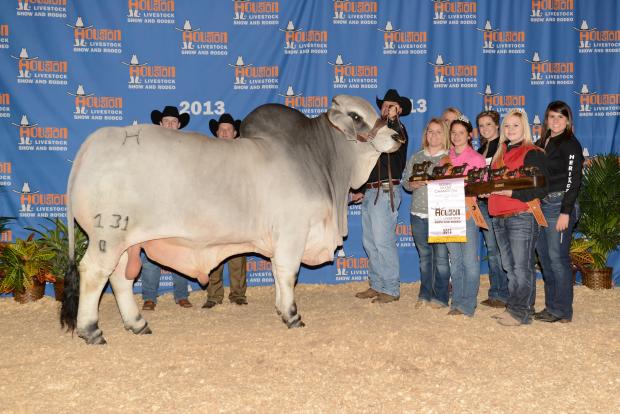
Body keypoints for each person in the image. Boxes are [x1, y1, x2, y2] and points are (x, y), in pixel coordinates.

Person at [487, 109, 548, 326]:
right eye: (507, 125)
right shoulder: (499, 153)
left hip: (521, 214)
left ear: (525, 128)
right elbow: (496, 184)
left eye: (515, 125)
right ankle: (517, 308)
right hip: (498, 215)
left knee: (521, 267)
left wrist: (511, 193)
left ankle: (520, 312)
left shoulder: (533, 152)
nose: (510, 129)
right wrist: (487, 192)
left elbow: (541, 187)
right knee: (510, 267)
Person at [353, 89, 410, 303]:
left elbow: (397, 139)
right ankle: (377, 284)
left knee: (383, 241)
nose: (386, 108)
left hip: (386, 191)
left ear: (400, 110)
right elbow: (369, 163)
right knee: (370, 241)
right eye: (385, 105)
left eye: (392, 106)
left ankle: (391, 288)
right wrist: (361, 188)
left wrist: (393, 120)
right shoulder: (375, 131)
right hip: (371, 191)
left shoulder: (397, 130)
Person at [535, 101, 583, 323]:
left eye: (560, 117)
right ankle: (551, 307)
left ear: (568, 121)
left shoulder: (570, 144)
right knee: (545, 258)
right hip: (542, 205)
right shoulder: (542, 142)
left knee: (558, 259)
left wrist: (566, 212)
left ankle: (563, 311)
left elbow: (573, 181)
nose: (555, 121)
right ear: (546, 120)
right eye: (552, 117)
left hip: (559, 205)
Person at [141, 105, 193, 310]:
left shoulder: (187, 149)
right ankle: (149, 297)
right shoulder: (150, 148)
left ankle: (181, 295)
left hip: (179, 208)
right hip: (154, 208)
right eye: (167, 121)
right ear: (160, 124)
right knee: (151, 253)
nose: (170, 125)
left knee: (179, 251)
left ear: (179, 125)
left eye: (174, 122)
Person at [402, 118, 451, 309]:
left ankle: (440, 296)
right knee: (424, 257)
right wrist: (411, 184)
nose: (434, 135)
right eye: (430, 131)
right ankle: (424, 294)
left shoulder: (449, 158)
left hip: (440, 214)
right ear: (425, 134)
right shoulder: (416, 157)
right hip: (418, 213)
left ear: (444, 135)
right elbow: (405, 181)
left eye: (439, 132)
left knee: (441, 258)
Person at [203, 113, 249, 308]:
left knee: (237, 251)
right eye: (221, 130)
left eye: (228, 129)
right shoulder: (207, 154)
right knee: (214, 253)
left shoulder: (244, 155)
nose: (224, 133)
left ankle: (238, 293)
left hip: (237, 209)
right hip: (214, 209)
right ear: (216, 133)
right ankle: (214, 295)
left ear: (235, 133)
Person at [445, 115, 486, 316]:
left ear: (469, 135)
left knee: (469, 261)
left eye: (461, 132)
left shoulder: (476, 159)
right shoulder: (446, 158)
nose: (457, 136)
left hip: (467, 212)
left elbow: (482, 186)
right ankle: (457, 302)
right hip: (447, 215)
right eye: (453, 132)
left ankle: (468, 304)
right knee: (456, 260)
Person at [475, 110, 509, 308]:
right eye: (481, 125)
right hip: (482, 205)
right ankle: (496, 292)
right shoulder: (480, 151)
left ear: (497, 126)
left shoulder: (504, 148)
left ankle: (504, 293)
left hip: (499, 204)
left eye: (489, 124)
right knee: (492, 250)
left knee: (500, 251)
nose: (485, 128)